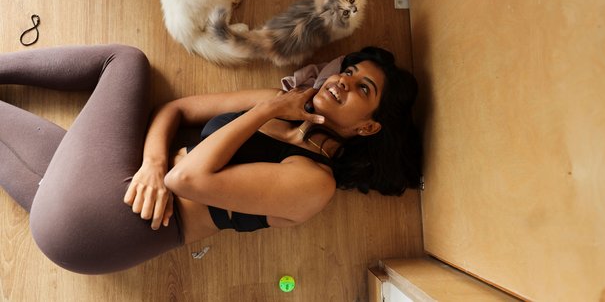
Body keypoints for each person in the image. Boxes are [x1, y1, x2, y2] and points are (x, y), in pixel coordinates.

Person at [0, 44, 422, 274]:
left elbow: (186, 180)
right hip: (85, 220)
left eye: (363, 89)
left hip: (112, 222)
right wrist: (151, 164)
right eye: (347, 72)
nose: (342, 82)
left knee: (125, 61)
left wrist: (269, 110)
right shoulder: (279, 104)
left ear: (368, 127)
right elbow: (177, 110)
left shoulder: (313, 182)